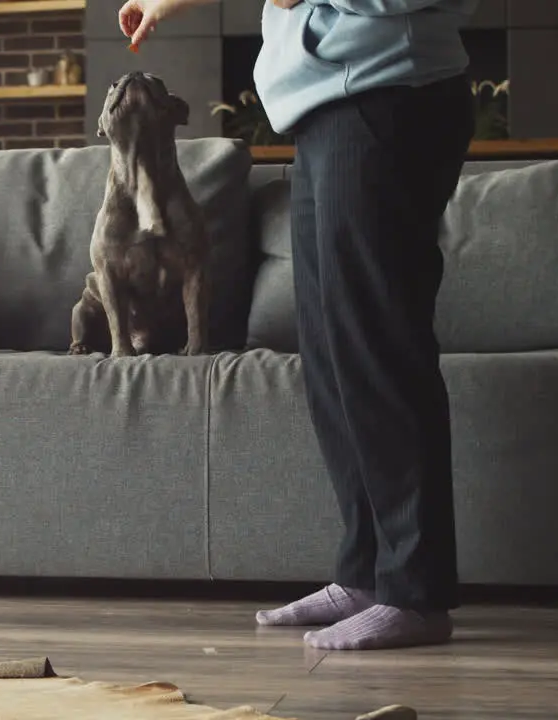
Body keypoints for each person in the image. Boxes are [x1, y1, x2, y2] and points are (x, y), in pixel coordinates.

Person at [117, 0, 477, 651]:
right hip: (332, 107)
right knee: (332, 350)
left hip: (391, 96)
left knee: (377, 348)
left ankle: (415, 592)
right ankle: (368, 572)